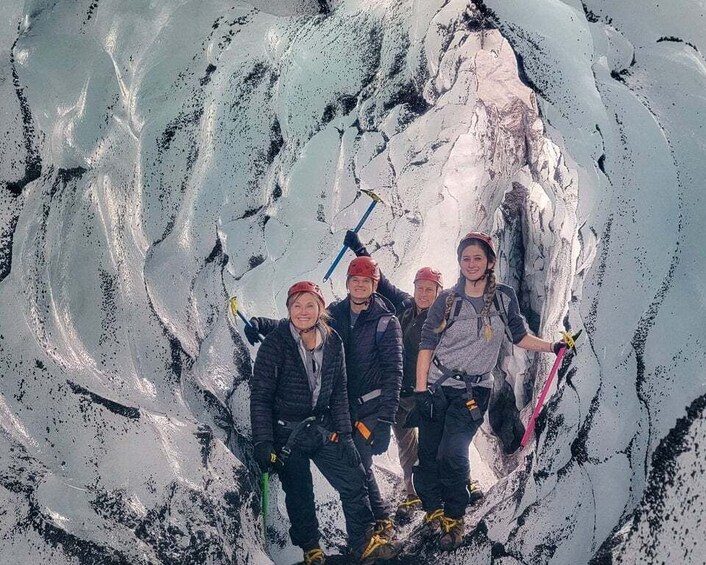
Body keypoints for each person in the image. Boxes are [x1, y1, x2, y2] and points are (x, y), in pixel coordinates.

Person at [413, 231, 574, 551]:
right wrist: (421, 392)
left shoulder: (504, 298)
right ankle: (433, 510)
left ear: (490, 261)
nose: (471, 263)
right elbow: (426, 345)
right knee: (428, 455)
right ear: (459, 263)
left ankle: (455, 517)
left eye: (477, 257)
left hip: (473, 391)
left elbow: (519, 337)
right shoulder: (446, 300)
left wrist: (551, 347)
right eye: (466, 258)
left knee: (452, 452)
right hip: (436, 386)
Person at [245, 262, 403, 541]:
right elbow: (261, 396)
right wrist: (263, 442)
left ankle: (371, 533)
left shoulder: (355, 334)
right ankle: (316, 548)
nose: (303, 311)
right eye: (297, 306)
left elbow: (371, 381)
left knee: (356, 474)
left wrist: (365, 429)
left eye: (311, 306)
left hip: (341, 417)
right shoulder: (286, 340)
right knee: (302, 490)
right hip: (301, 425)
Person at [343, 230, 484, 523]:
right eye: (420, 287)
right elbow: (377, 282)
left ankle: (464, 482)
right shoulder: (405, 307)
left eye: (430, 289)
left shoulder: (447, 320)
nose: (423, 293)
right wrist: (359, 248)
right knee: (408, 447)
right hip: (401, 395)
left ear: (439, 293)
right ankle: (413, 491)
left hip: (434, 394)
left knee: (447, 442)